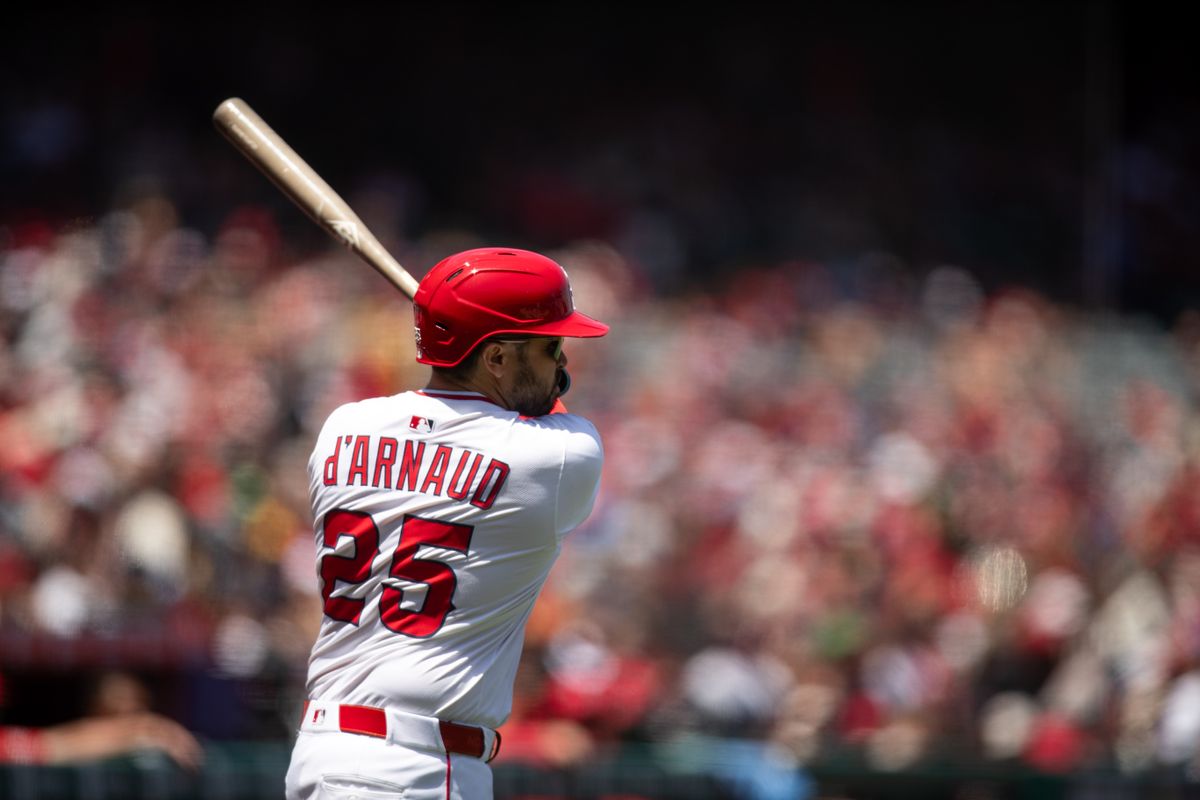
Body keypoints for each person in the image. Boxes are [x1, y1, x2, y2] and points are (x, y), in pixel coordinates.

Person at [285, 247, 609, 800]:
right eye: (550, 346)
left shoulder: (343, 425)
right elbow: (548, 415)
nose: (562, 365)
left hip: (321, 754)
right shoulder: (558, 458)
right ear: (497, 359)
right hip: (417, 769)